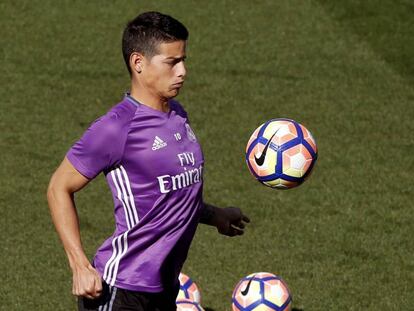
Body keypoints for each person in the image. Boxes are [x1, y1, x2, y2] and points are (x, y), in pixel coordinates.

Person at [47, 11, 250, 311]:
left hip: (164, 288)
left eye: (183, 60)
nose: (182, 71)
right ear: (138, 63)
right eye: (171, 62)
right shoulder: (117, 127)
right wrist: (79, 266)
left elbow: (172, 194)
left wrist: (214, 215)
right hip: (121, 289)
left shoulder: (178, 114)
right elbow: (58, 187)